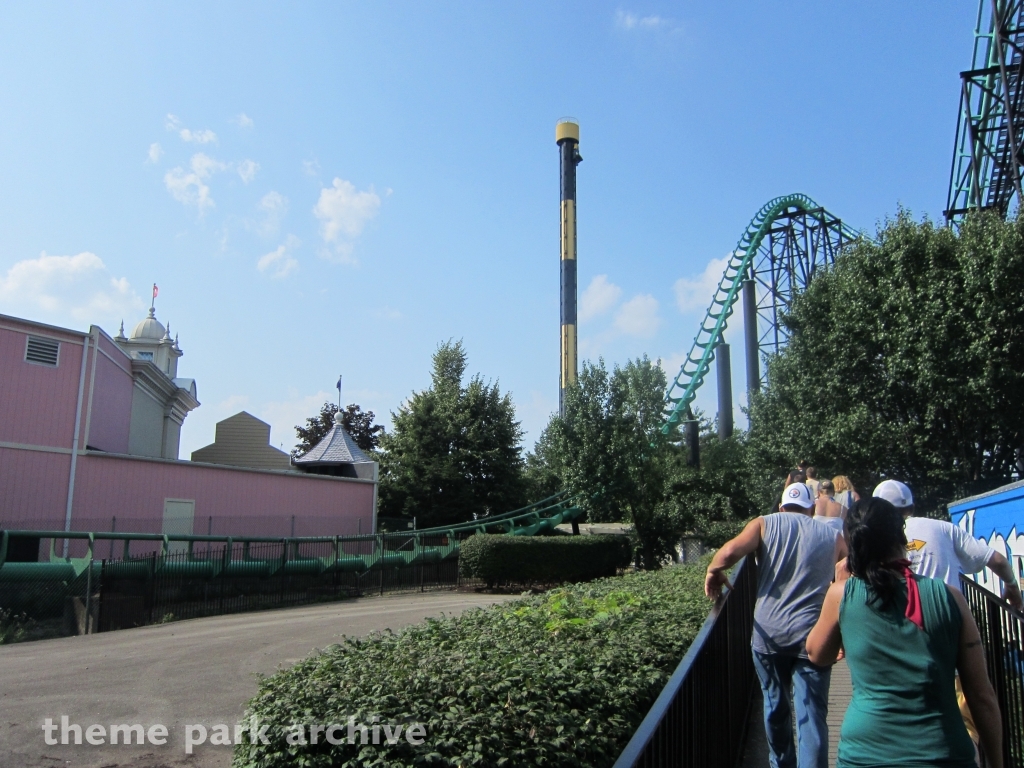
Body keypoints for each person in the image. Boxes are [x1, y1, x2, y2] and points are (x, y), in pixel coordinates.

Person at [806, 497, 1003, 768]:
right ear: (902, 536)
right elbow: (981, 695)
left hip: (867, 753)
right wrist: (996, 761)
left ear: (853, 543)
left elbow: (817, 654)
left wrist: (839, 587)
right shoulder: (950, 597)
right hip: (943, 752)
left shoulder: (842, 594)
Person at [873, 478, 1022, 750]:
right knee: (966, 724)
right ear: (911, 506)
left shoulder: (874, 540)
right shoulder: (941, 528)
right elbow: (998, 560)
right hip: (947, 641)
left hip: (895, 651)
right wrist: (1012, 587)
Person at [706, 483, 846, 768]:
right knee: (812, 712)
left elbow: (730, 552)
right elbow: (850, 575)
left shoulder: (763, 524)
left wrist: (713, 571)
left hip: (769, 636)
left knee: (774, 705)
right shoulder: (833, 536)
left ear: (782, 507)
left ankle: (781, 764)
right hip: (814, 638)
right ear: (810, 509)